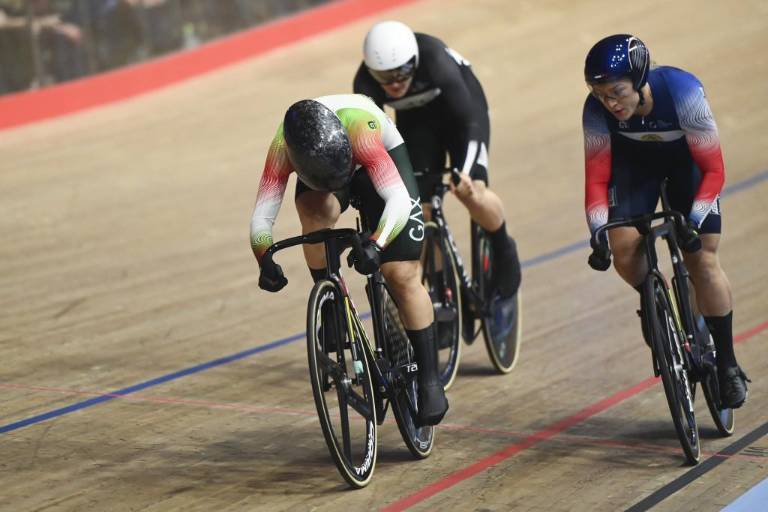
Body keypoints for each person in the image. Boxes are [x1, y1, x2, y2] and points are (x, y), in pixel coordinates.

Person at [250, 94, 448, 426]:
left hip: (374, 164)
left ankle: (429, 378)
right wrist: (264, 258)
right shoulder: (283, 146)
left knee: (399, 273)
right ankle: (331, 305)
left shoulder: (362, 130)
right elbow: (262, 217)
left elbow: (396, 199)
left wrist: (377, 243)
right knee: (313, 214)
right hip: (324, 173)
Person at [582, 34, 749, 408]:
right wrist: (597, 234)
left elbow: (713, 169)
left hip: (686, 169)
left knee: (703, 259)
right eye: (599, 94)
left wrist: (692, 220)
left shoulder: (683, 92)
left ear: (639, 79)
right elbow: (596, 177)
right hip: (634, 173)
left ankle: (728, 364)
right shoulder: (595, 112)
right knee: (624, 250)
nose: (609, 103)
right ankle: (657, 310)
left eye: (617, 92)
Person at [353, 21, 521, 300]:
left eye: (401, 73)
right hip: (417, 123)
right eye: (384, 77)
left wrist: (464, 173)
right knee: (422, 211)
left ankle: (503, 247)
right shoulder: (364, 83)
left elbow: (468, 124)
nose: (394, 83)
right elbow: (373, 140)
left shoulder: (436, 62)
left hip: (462, 114)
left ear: (414, 62)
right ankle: (443, 294)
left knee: (473, 191)